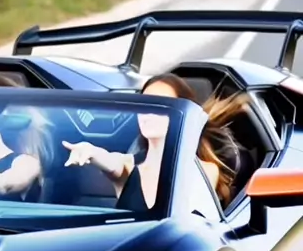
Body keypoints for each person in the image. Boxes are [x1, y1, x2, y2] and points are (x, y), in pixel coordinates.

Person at [62, 72, 247, 210]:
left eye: (161, 105)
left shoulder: (205, 171)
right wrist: (90, 151)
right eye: (145, 104)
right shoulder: (128, 167)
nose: (149, 112)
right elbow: (109, 160)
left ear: (181, 114)